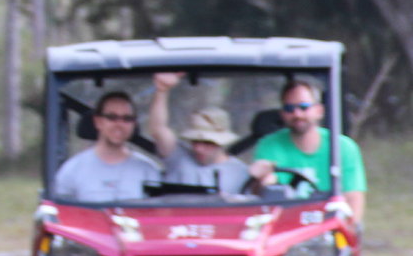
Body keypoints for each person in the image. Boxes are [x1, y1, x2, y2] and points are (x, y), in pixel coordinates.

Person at [249, 80, 366, 223]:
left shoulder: (343, 148)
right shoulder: (268, 146)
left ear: (319, 111)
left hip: (326, 227)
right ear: (282, 114)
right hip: (283, 226)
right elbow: (257, 201)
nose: (297, 114)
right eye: (289, 109)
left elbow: (354, 201)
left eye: (304, 107)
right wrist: (261, 181)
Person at [148, 72, 250, 193]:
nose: (198, 149)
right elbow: (158, 129)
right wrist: (161, 91)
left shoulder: (241, 172)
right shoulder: (179, 157)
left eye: (207, 143)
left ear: (221, 142)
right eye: (195, 141)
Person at [55, 91, 160, 202]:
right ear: (98, 122)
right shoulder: (72, 170)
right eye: (112, 117)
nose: (119, 124)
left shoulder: (148, 171)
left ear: (134, 124)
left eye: (127, 118)